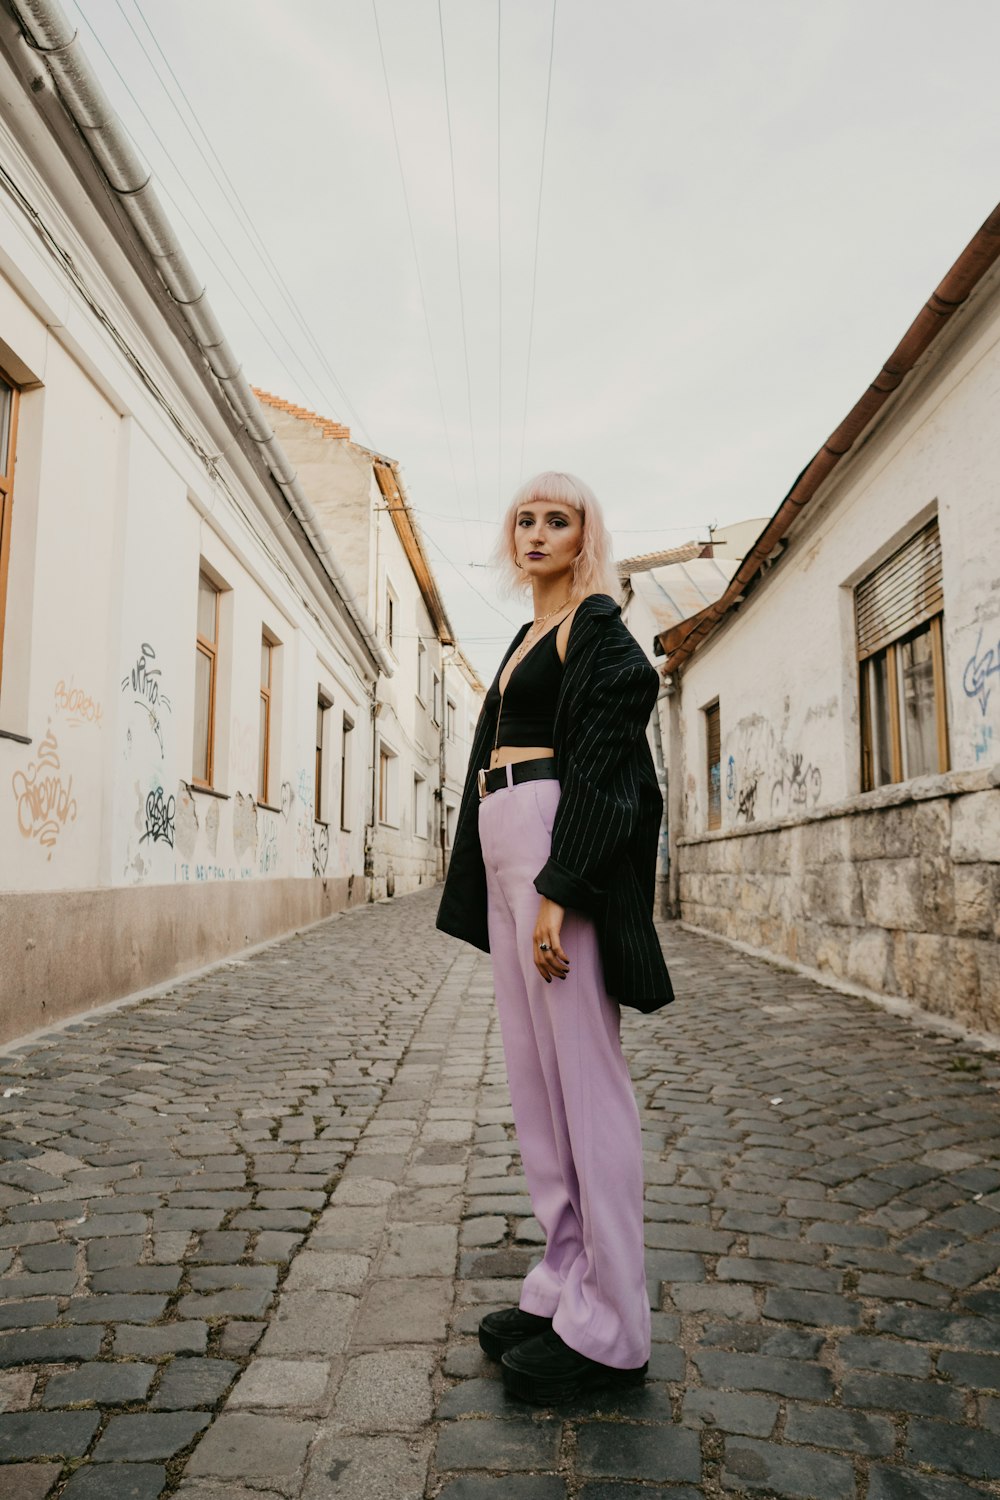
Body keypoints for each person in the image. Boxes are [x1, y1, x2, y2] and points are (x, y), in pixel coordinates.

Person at [436, 470, 674, 1405]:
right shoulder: (525, 634)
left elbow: (613, 751)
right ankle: (562, 1285)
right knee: (537, 1082)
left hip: (548, 836)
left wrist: (559, 888)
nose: (537, 532)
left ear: (585, 536)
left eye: (558, 520)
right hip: (504, 830)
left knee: (587, 1079)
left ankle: (613, 1326)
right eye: (525, 519)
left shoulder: (595, 624)